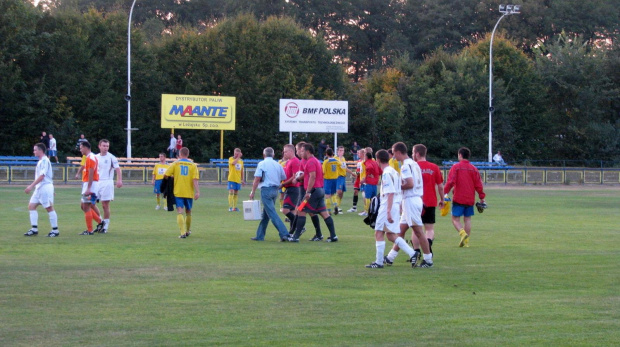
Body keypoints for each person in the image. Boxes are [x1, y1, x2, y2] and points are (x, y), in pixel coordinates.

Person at [365, 150, 419, 268]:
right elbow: (398, 190)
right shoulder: (394, 172)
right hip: (394, 205)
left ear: (378, 160)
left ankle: (379, 262)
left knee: (379, 232)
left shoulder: (386, 173)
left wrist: (388, 211)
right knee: (390, 235)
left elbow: (390, 193)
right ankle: (412, 253)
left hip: (387, 206)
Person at [384, 142, 433, 268]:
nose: (394, 156)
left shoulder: (406, 166)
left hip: (411, 200)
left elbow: (410, 184)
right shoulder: (414, 164)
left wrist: (397, 187)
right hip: (413, 199)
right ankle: (390, 257)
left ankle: (428, 260)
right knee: (400, 231)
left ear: (399, 152)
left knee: (418, 231)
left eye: (394, 153)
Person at [289, 143, 338, 242]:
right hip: (319, 190)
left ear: (307, 151)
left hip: (314, 191)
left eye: (302, 151)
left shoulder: (311, 162)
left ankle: (296, 237)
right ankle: (333, 236)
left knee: (301, 210)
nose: (301, 153)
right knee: (324, 213)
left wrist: (308, 192)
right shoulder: (315, 160)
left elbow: (312, 176)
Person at [444, 147, 486, 247]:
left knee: (455, 219)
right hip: (470, 198)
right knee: (467, 219)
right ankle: (466, 242)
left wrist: (445, 193)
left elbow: (450, 182)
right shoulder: (474, 169)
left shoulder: (456, 167)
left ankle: (463, 234)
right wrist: (482, 197)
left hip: (459, 197)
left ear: (460, 155)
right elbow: (478, 185)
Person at [249, 147, 290, 241]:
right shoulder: (278, 164)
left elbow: (257, 179)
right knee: (266, 214)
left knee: (271, 213)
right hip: (275, 190)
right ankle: (260, 235)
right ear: (273, 155)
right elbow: (283, 177)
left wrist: (253, 191)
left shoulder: (262, 164)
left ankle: (285, 234)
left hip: (266, 190)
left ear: (264, 155)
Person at [411, 144, 445, 256]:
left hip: (415, 202)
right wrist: (442, 199)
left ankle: (416, 251)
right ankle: (428, 243)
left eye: (412, 152)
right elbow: (440, 186)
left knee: (416, 229)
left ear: (417, 153)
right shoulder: (434, 167)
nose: (412, 155)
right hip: (430, 201)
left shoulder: (412, 166)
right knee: (429, 228)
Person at [24, 143, 59, 237]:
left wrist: (31, 186)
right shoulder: (41, 161)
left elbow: (42, 176)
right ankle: (34, 229)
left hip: (44, 187)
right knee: (31, 206)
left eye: (35, 150)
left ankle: (55, 230)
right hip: (40, 188)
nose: (34, 151)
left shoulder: (44, 161)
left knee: (49, 208)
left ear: (41, 151)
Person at [164, 147, 200, 239]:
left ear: (180, 154)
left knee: (180, 211)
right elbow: (195, 180)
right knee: (188, 211)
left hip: (178, 191)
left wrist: (171, 179)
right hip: (189, 192)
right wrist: (197, 192)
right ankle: (188, 231)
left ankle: (182, 232)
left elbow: (166, 175)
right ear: (188, 154)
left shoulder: (175, 164)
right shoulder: (193, 165)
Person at [96, 139, 123, 233]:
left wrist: (119, 180)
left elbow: (118, 169)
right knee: (91, 203)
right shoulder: (95, 157)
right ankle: (100, 221)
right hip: (96, 182)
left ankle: (105, 226)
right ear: (99, 146)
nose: (105, 148)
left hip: (107, 182)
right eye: (104, 146)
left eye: (107, 146)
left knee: (105, 205)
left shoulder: (112, 157)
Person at [78, 141, 103, 235]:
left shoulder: (91, 158)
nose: (80, 150)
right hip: (88, 184)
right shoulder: (88, 157)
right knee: (83, 206)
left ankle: (90, 230)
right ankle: (100, 222)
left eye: (81, 148)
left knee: (86, 206)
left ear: (85, 147)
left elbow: (91, 173)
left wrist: (89, 188)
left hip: (91, 185)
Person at [280, 144, 301, 235]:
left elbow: (294, 177)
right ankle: (292, 232)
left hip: (293, 188)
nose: (284, 153)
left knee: (285, 210)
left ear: (291, 151)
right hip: (289, 188)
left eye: (285, 151)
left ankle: (300, 226)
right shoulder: (288, 162)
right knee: (292, 211)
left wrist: (283, 184)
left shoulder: (295, 161)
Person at [360, 149, 380, 216]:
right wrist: (375, 176)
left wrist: (367, 176)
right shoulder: (375, 162)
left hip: (369, 182)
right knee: (373, 198)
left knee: (367, 197)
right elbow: (380, 170)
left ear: (366, 157)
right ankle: (373, 211)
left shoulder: (368, 162)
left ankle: (367, 211)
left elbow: (369, 168)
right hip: (375, 183)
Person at [322, 148, 340, 214]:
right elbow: (342, 166)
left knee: (327, 195)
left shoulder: (326, 162)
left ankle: (329, 211)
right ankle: (335, 205)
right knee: (333, 194)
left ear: (326, 154)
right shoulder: (337, 161)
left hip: (327, 179)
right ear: (332, 153)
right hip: (335, 179)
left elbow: (323, 172)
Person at [335, 146, 352, 215]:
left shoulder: (343, 158)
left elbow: (345, 168)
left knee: (341, 193)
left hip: (343, 177)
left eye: (342, 150)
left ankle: (337, 207)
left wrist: (352, 173)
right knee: (338, 191)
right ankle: (335, 207)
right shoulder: (335, 159)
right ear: (337, 151)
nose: (341, 152)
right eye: (340, 150)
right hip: (338, 177)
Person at [227, 148, 245, 212]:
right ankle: (230, 207)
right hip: (231, 178)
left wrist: (242, 179)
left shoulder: (241, 161)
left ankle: (235, 207)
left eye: (237, 154)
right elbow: (233, 163)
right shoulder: (231, 159)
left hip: (238, 179)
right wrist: (238, 157)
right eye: (235, 153)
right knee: (231, 192)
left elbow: (242, 171)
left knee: (236, 193)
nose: (236, 155)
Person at [348, 148, 364, 213]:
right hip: (358, 179)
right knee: (355, 191)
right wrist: (354, 174)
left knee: (364, 194)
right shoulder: (359, 161)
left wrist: (355, 174)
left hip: (362, 178)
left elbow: (361, 171)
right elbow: (358, 171)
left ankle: (366, 208)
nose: (358, 154)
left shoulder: (364, 161)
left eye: (359, 153)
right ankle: (354, 207)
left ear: (363, 154)